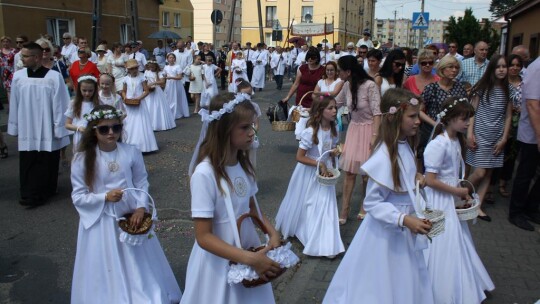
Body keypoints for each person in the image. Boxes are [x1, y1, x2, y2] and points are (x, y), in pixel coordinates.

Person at [323, 88, 434, 304]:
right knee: (382, 282)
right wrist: (403, 219)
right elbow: (373, 202)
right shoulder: (384, 155)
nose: (418, 121)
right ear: (394, 118)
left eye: (417, 115)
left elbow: (402, 179)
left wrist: (416, 179)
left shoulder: (406, 145)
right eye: (412, 116)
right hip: (388, 231)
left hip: (405, 227)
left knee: (405, 278)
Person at [70, 105, 182, 303]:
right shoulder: (82, 159)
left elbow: (141, 181)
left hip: (131, 213)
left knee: (137, 259)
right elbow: (78, 196)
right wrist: (103, 197)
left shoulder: (131, 151)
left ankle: (141, 291)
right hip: (102, 218)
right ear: (94, 131)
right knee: (106, 261)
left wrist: (141, 207)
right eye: (104, 129)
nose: (111, 132)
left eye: (116, 127)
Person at [182, 93, 279, 304]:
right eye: (244, 127)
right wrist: (249, 259)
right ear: (224, 129)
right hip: (219, 261)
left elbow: (252, 208)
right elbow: (204, 236)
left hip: (247, 249)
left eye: (252, 126)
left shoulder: (243, 165)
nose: (252, 133)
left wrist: (271, 233)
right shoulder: (205, 174)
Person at [423, 97, 495, 303]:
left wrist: (461, 190)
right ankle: (438, 285)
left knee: (457, 239)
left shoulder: (455, 141)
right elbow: (430, 180)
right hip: (439, 199)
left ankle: (461, 281)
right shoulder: (438, 144)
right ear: (451, 118)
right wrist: (456, 191)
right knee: (443, 239)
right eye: (464, 119)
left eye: (468, 119)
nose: (467, 123)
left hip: (451, 196)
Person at [276, 93, 345, 257]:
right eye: (330, 108)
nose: (335, 110)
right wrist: (319, 163)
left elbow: (330, 150)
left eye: (335, 107)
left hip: (325, 174)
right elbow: (299, 157)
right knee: (310, 204)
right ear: (320, 111)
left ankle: (326, 241)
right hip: (309, 172)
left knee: (325, 205)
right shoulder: (310, 132)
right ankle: (310, 234)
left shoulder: (334, 131)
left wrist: (336, 152)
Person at [8, 42, 71, 207]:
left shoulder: (53, 77)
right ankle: (29, 194)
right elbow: (14, 102)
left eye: (25, 56)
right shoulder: (19, 76)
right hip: (27, 125)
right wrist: (14, 125)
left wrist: (59, 127)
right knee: (28, 161)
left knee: (46, 160)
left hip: (46, 127)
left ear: (36, 57)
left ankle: (46, 190)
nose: (21, 59)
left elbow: (61, 104)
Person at [466, 54, 513, 222]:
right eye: (498, 66)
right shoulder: (482, 87)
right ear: (492, 69)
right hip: (480, 135)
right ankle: (461, 193)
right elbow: (472, 112)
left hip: (496, 137)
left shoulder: (508, 90)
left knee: (488, 174)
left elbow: (508, 116)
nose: (501, 70)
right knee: (479, 172)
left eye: (504, 67)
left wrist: (504, 138)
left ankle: (478, 206)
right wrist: (470, 134)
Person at [335, 55, 381, 224]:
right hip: (354, 129)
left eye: (340, 70)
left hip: (370, 130)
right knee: (349, 172)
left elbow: (377, 112)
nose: (338, 73)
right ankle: (344, 208)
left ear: (348, 71)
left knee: (366, 174)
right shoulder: (347, 85)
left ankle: (365, 205)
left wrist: (375, 136)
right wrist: (317, 105)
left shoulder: (370, 85)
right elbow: (336, 102)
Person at [507, 55, 540, 231]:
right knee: (525, 174)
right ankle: (516, 212)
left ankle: (531, 208)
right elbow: (533, 105)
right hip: (532, 134)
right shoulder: (537, 68)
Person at [419, 56, 467, 168]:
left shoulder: (460, 88)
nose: (454, 70)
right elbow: (419, 111)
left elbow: (466, 111)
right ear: (442, 69)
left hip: (454, 132)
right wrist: (435, 124)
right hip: (432, 131)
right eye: (450, 67)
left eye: (456, 67)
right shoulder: (431, 88)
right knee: (431, 162)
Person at [495, 54, 523, 198]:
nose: (514, 68)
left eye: (518, 65)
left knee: (511, 155)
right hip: (500, 123)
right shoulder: (501, 83)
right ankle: (491, 186)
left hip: (518, 124)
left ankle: (503, 183)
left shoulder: (524, 83)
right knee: (498, 153)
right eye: (511, 65)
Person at [282, 47, 325, 139]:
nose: (310, 59)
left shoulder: (322, 70)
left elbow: (324, 86)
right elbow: (296, 84)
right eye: (308, 57)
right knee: (299, 122)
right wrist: (288, 97)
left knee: (312, 122)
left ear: (317, 58)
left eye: (312, 58)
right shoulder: (302, 68)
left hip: (315, 98)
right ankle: (301, 139)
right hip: (301, 98)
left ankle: (311, 140)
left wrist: (322, 99)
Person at [121, 59, 158, 153]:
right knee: (128, 123)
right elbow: (124, 91)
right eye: (132, 69)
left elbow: (146, 91)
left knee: (140, 124)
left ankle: (143, 146)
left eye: (135, 68)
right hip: (129, 104)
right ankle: (128, 143)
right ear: (128, 70)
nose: (134, 70)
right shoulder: (126, 79)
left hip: (139, 103)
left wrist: (139, 98)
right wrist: (125, 98)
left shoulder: (142, 77)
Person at [65, 74, 101, 153]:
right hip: (80, 136)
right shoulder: (74, 103)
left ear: (95, 90)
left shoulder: (99, 103)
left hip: (95, 136)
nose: (87, 93)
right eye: (84, 90)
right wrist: (78, 128)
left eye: (90, 90)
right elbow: (67, 124)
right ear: (79, 89)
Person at [144, 60, 175, 131]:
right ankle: (150, 124)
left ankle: (159, 124)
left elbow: (162, 81)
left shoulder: (161, 72)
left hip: (157, 90)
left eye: (153, 67)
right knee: (149, 105)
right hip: (149, 90)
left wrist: (154, 83)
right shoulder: (147, 72)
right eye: (150, 67)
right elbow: (145, 80)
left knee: (158, 105)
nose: (151, 68)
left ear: (156, 66)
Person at [163, 53, 189, 119]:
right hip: (169, 84)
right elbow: (164, 75)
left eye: (173, 58)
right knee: (169, 97)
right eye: (170, 58)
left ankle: (178, 112)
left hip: (176, 84)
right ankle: (169, 112)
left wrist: (171, 77)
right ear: (167, 59)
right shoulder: (166, 67)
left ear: (175, 59)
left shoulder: (177, 66)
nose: (171, 59)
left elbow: (180, 77)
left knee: (177, 97)